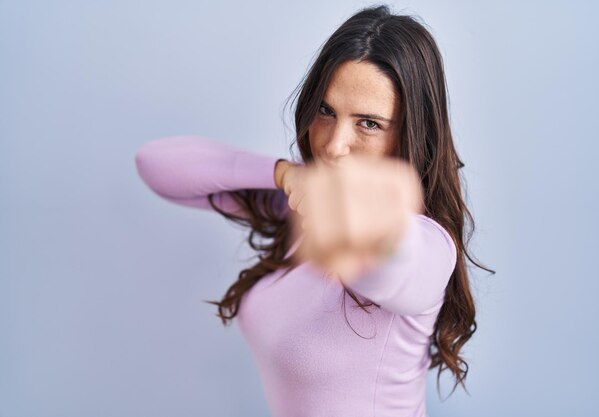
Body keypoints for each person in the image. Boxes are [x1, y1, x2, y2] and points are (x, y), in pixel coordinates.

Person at [134, 4, 493, 417]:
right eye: (326, 111)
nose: (334, 145)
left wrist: (364, 228)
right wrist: (283, 173)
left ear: (412, 134)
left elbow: (397, 258)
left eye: (369, 124)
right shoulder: (300, 206)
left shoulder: (429, 245)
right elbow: (154, 163)